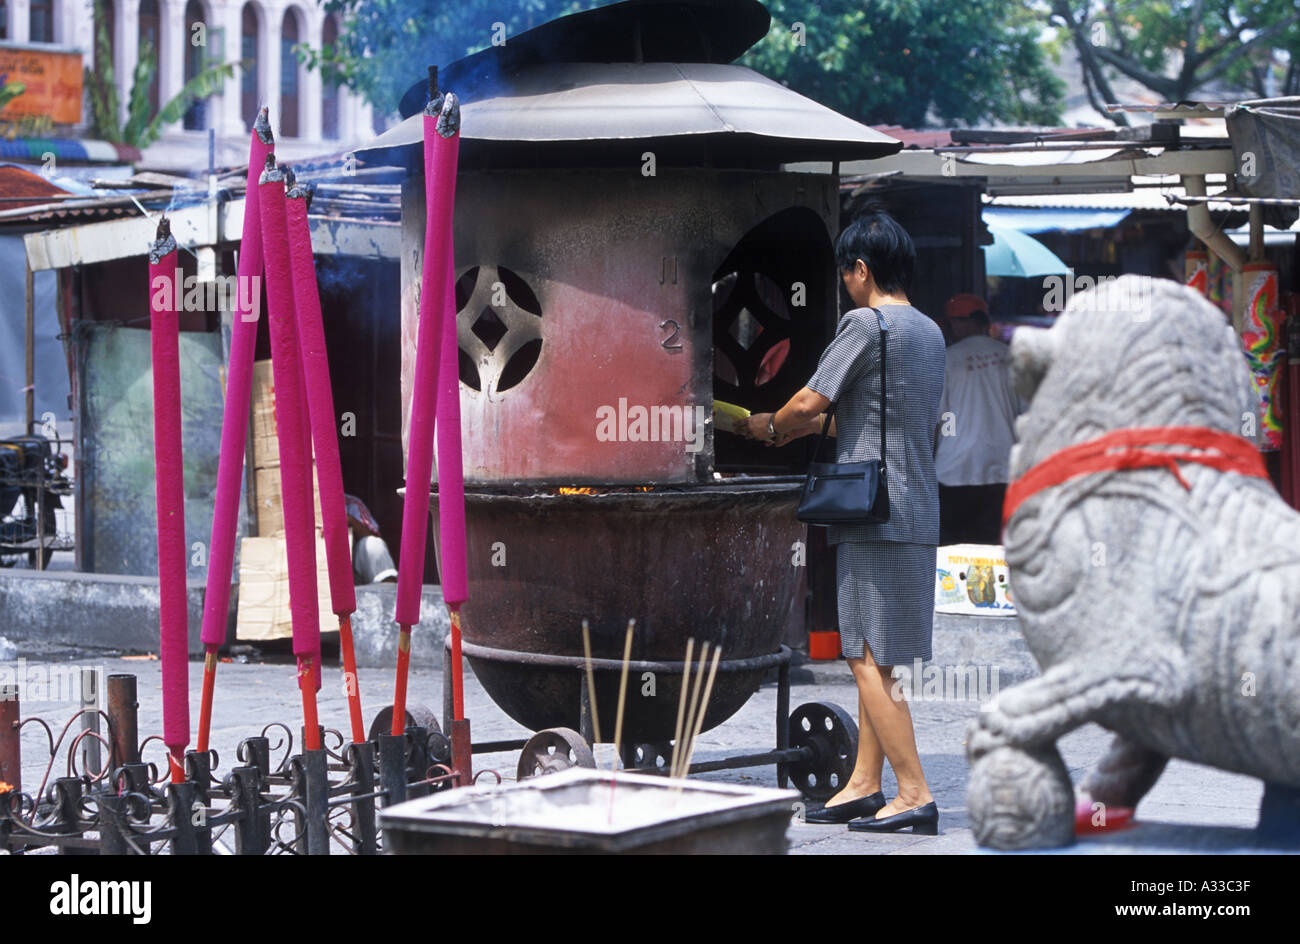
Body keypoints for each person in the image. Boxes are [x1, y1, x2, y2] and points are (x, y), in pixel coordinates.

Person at [745, 210, 945, 834]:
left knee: (864, 656)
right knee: (881, 655)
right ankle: (864, 784)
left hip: (872, 513)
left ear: (860, 270)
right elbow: (879, 417)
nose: (844, 286)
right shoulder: (931, 331)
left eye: (845, 274)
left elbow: (811, 402)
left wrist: (768, 427)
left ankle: (913, 791)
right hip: (917, 507)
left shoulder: (866, 323)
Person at [935, 294, 1026, 546]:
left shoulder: (947, 358)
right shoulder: (1010, 356)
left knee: (952, 554)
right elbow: (1027, 414)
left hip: (954, 470)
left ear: (963, 323)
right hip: (1002, 468)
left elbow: (939, 419)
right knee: (993, 551)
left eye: (952, 324)